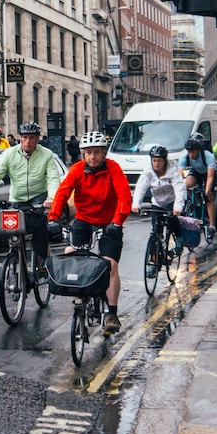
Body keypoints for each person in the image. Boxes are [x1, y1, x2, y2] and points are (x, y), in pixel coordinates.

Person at [48, 131, 132, 334]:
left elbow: (124, 196)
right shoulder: (77, 169)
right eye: (88, 153)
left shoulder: (113, 169)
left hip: (110, 222)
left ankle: (112, 313)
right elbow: (63, 192)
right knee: (70, 253)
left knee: (110, 264)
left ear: (104, 153)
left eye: (96, 152)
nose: (92, 157)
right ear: (83, 154)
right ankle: (79, 300)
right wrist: (53, 218)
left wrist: (117, 221)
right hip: (84, 220)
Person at [0, 120, 66, 275]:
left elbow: (53, 179)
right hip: (17, 198)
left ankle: (42, 258)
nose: (27, 141)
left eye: (31, 137)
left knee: (39, 224)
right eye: (24, 137)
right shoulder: (9, 154)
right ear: (20, 138)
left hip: (39, 197)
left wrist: (50, 198)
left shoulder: (46, 155)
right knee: (11, 226)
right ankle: (15, 253)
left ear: (37, 138)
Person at [132, 145, 187, 278]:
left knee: (172, 221)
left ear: (164, 161)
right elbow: (141, 187)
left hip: (171, 202)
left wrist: (178, 207)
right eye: (154, 161)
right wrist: (136, 204)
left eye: (159, 161)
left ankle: (179, 241)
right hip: (157, 203)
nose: (156, 164)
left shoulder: (172, 172)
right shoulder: (148, 172)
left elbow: (180, 190)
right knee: (155, 233)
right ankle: (153, 264)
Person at [178, 132, 217, 240]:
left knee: (209, 196)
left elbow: (210, 176)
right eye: (188, 151)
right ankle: (196, 203)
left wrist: (207, 191)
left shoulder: (208, 156)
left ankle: (212, 226)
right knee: (186, 185)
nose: (190, 154)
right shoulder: (184, 157)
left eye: (192, 152)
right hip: (196, 172)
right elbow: (180, 176)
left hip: (208, 173)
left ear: (198, 150)